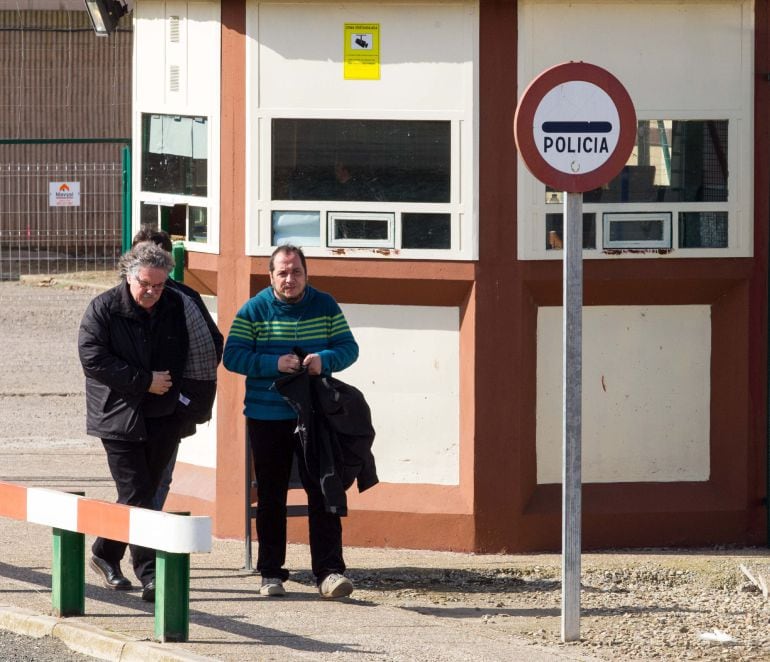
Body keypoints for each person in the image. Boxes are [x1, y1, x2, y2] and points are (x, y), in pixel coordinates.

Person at [223, 244, 360, 599]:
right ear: (270, 276)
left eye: (295, 272)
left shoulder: (325, 304)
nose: (289, 279)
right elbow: (233, 355)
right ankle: (271, 573)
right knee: (271, 495)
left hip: (315, 417)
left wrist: (323, 360)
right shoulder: (254, 309)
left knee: (323, 491)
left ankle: (329, 573)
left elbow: (350, 347)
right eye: (282, 273)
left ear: (306, 274)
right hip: (267, 415)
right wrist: (274, 364)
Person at [78, 242, 189, 602]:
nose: (152, 292)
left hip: (162, 414)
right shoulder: (103, 308)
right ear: (129, 277)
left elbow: (190, 349)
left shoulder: (173, 304)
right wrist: (144, 380)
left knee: (140, 493)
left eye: (159, 285)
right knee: (140, 493)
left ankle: (105, 553)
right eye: (146, 284)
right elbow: (93, 358)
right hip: (117, 415)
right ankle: (150, 573)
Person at [130, 227, 223, 510]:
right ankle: (127, 544)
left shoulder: (185, 298)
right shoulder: (115, 300)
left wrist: (182, 393)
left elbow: (212, 346)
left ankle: (144, 546)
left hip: (171, 407)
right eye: (141, 256)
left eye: (155, 256)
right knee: (132, 480)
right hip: (129, 406)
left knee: (161, 477)